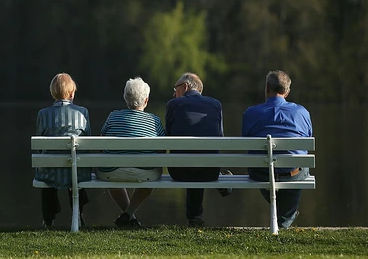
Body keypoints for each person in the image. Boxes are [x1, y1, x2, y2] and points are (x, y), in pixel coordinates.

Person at [241, 70, 313, 229]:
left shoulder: (251, 113)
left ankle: (285, 217)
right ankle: (285, 218)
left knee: (263, 164)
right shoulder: (302, 112)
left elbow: (246, 140)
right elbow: (307, 138)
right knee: (301, 164)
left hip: (261, 173)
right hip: (293, 175)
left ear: (267, 88)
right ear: (287, 91)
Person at [96, 77, 165, 228]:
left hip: (111, 172)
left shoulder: (113, 116)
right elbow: (161, 150)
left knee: (112, 173)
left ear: (125, 98)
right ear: (146, 100)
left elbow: (100, 145)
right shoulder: (155, 121)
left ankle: (130, 217)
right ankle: (129, 215)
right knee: (152, 176)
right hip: (146, 173)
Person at [165, 72, 230, 227]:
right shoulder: (215, 105)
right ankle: (195, 217)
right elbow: (219, 137)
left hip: (178, 172)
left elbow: (167, 136)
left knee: (191, 160)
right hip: (210, 172)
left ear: (185, 87)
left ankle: (195, 217)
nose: (174, 93)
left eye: (176, 89)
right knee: (200, 160)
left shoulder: (173, 105)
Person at [35, 73, 92, 228]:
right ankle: (78, 215)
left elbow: (40, 144)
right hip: (77, 169)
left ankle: (48, 220)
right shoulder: (83, 113)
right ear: (72, 93)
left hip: (50, 170)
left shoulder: (43, 114)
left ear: (53, 93)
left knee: (48, 172)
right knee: (76, 171)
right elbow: (87, 141)